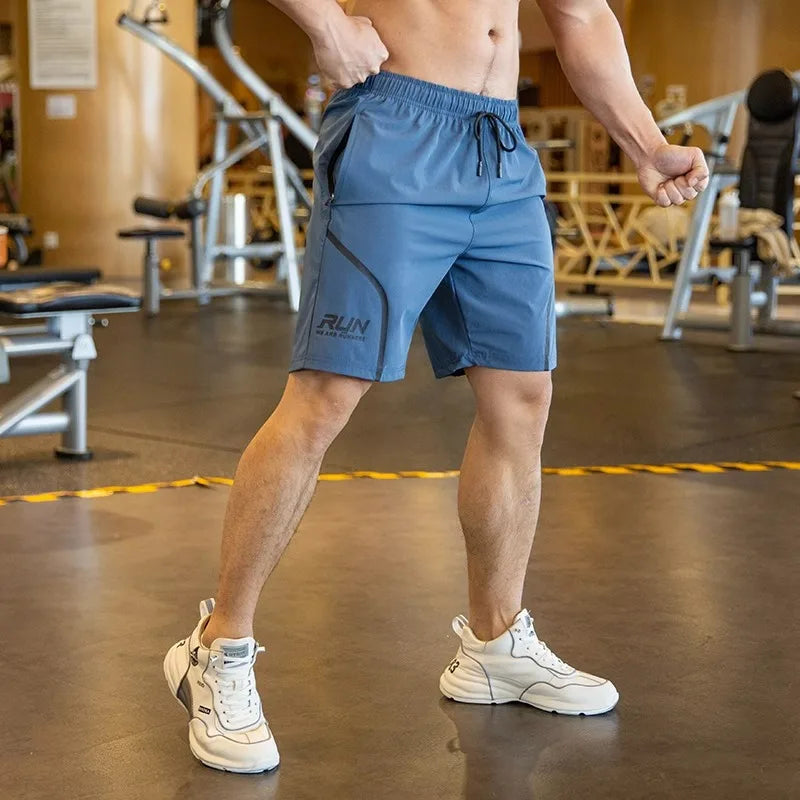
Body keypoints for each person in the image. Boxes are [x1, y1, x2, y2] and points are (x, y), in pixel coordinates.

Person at [163, 0, 709, 773]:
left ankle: (493, 644)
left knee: (522, 397)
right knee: (326, 394)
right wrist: (324, 24)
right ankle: (217, 649)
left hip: (500, 145)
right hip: (396, 126)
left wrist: (647, 145)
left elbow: (582, 14)